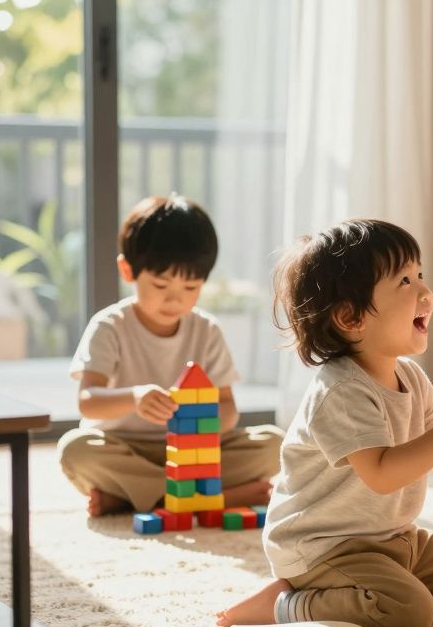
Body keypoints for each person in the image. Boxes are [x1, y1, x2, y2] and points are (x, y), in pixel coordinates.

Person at [215, 219, 433, 627]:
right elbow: (381, 475)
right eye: (405, 281)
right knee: (406, 610)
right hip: (325, 547)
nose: (425, 292)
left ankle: (367, 590)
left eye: (420, 274)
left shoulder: (412, 377)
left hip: (391, 538)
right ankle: (283, 603)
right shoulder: (341, 389)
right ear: (351, 317)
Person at [57, 195, 282, 517]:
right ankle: (211, 498)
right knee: (76, 451)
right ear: (127, 270)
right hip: (125, 447)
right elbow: (88, 401)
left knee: (273, 443)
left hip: (193, 451)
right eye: (161, 285)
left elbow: (228, 407)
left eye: (190, 288)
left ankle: (133, 498)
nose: (175, 300)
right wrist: (134, 398)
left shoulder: (206, 330)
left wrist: (197, 423)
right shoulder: (109, 326)